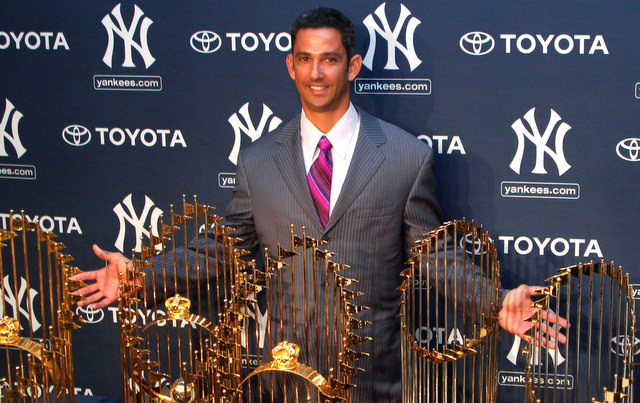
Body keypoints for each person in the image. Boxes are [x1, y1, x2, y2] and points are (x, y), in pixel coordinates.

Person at [72, 7, 566, 402]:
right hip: (286, 377)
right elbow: (220, 251)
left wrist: (495, 300)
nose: (316, 73)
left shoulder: (405, 156)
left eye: (329, 59)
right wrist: (143, 275)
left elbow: (434, 257)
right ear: (290, 66)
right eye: (305, 59)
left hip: (376, 378)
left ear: (351, 65)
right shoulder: (258, 161)